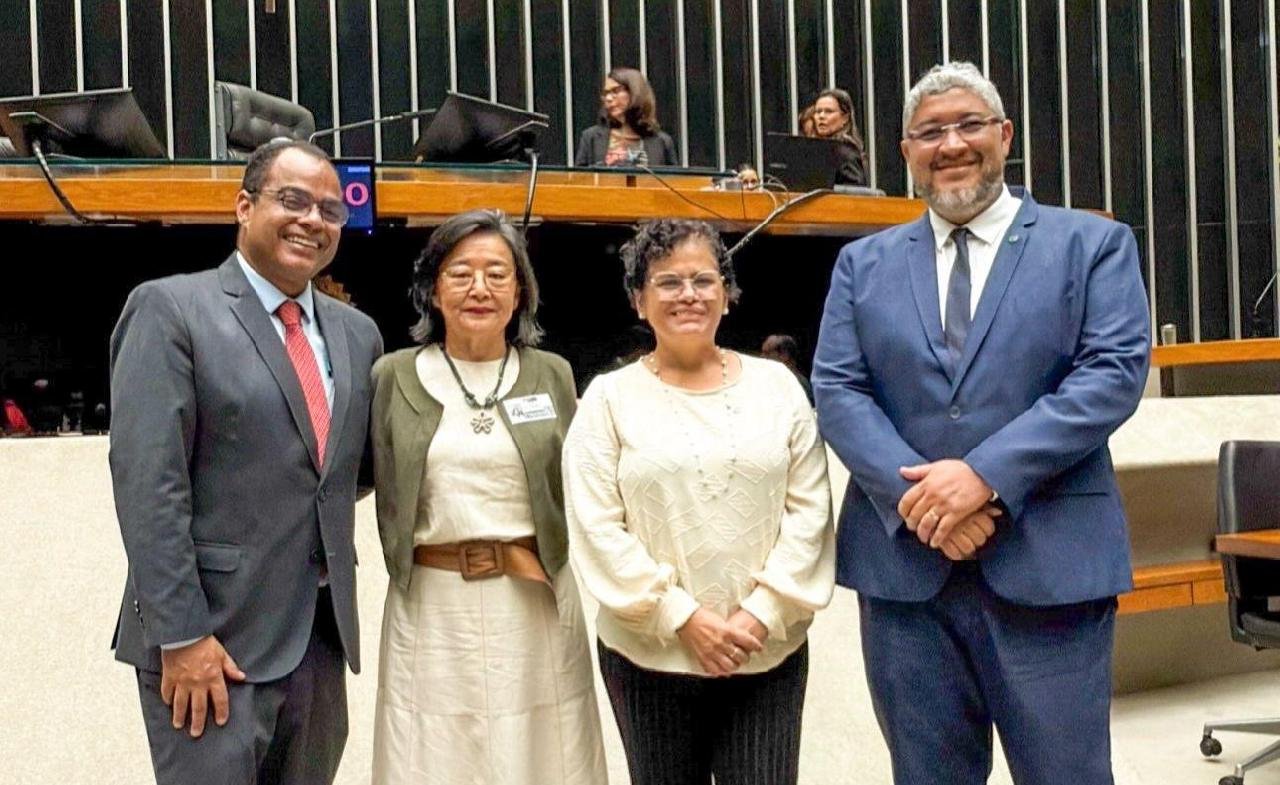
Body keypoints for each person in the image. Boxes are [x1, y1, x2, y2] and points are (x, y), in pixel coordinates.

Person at [812, 61, 1150, 785]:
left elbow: (1112, 375)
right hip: (906, 576)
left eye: (969, 124)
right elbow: (838, 389)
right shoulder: (860, 265)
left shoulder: (1091, 245)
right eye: (930, 131)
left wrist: (984, 478)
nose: (952, 143)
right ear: (906, 152)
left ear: (1005, 135)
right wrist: (923, 504)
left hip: (1050, 566)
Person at [108, 138, 384, 785]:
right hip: (212, 646)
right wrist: (181, 637)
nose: (312, 219)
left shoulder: (356, 334)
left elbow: (347, 470)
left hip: (318, 643)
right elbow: (150, 486)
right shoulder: (171, 310)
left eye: (330, 208)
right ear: (243, 205)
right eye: (292, 200)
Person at [564, 218, 835, 785]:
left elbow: (809, 513)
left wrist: (759, 615)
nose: (688, 295)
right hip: (648, 650)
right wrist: (683, 618)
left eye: (703, 280)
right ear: (639, 301)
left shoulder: (778, 387)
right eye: (667, 282)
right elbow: (596, 526)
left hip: (765, 649)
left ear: (726, 296)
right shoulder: (607, 399)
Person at [369, 209, 606, 785]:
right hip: (431, 604)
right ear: (432, 288)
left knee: (546, 754)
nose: (480, 288)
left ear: (521, 290)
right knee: (431, 754)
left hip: (536, 603)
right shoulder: (391, 376)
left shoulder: (553, 375)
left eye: (498, 274)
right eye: (461, 273)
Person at [575, 67, 678, 168]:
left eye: (615, 91)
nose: (608, 98)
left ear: (635, 92)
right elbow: (579, 180)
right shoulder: (591, 137)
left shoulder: (662, 141)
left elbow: (674, 182)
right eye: (606, 93)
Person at [811, 87, 869, 186]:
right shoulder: (816, 148)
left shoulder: (845, 151)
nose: (821, 116)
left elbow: (855, 190)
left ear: (845, 118)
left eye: (828, 111)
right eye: (818, 111)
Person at [761, 333, 813, 405]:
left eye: (767, 353)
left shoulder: (798, 384)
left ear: (785, 355)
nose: (762, 357)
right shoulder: (766, 382)